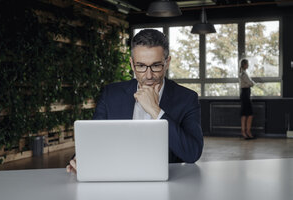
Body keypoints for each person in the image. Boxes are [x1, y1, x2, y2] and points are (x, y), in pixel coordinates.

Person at [67, 29, 203, 174]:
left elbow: (192, 153)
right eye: (141, 66)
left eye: (156, 65)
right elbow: (93, 140)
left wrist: (156, 111)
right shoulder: (111, 94)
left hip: (166, 182)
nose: (149, 75)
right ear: (132, 64)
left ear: (167, 62)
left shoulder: (187, 98)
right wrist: (80, 158)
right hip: (118, 177)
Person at [239, 59, 256, 139]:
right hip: (245, 95)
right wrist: (252, 83)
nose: (248, 65)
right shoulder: (243, 74)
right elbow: (251, 83)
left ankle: (246, 132)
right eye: (247, 64)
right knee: (248, 114)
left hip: (245, 94)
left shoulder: (244, 73)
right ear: (244, 65)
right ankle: (246, 132)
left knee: (246, 114)